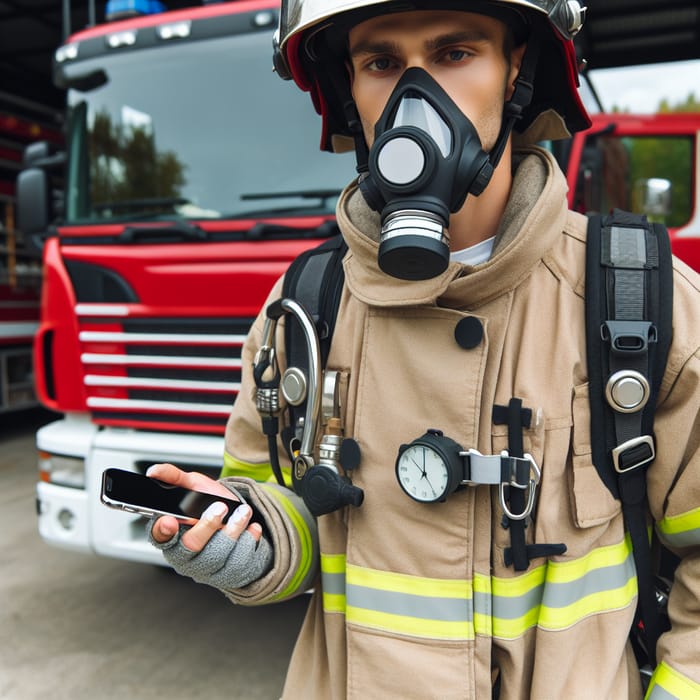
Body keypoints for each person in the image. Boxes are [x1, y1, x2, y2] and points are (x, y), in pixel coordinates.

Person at [147, 1, 700, 698]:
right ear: (349, 89)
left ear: (517, 70)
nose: (417, 100)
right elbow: (278, 502)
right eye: (381, 63)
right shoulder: (304, 303)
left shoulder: (642, 303)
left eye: (453, 55)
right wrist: (244, 545)